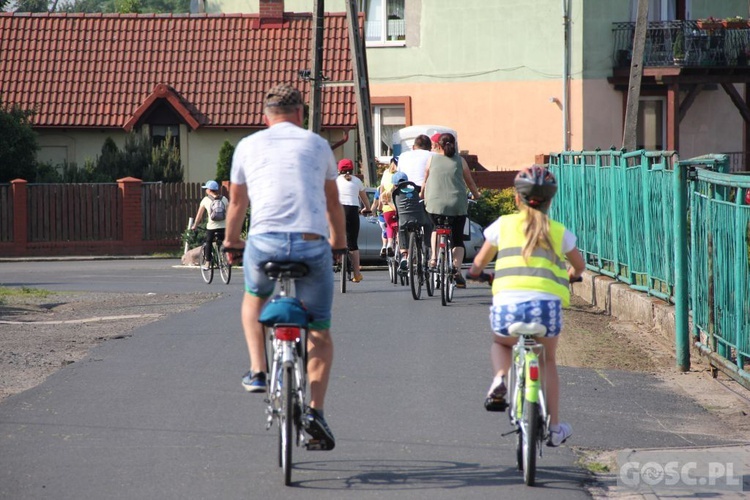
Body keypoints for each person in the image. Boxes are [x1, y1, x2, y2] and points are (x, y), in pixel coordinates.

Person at [223, 83, 346, 451]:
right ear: (299, 114)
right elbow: (332, 201)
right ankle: (315, 412)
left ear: (266, 117)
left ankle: (258, 370)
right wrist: (338, 244)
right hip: (311, 243)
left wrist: (231, 240)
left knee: (253, 298)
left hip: (264, 243)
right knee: (320, 330)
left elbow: (236, 204)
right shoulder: (317, 143)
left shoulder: (247, 145)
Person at [465, 165, 585, 447]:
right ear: (550, 201)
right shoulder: (559, 232)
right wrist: (570, 276)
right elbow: (578, 266)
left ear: (517, 199)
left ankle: (500, 379)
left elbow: (479, 263)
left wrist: (477, 274)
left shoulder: (502, 226)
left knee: (502, 344)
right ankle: (554, 428)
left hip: (508, 306)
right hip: (547, 309)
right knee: (549, 361)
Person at [421, 132, 480, 288]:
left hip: (434, 205)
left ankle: (433, 258)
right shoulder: (461, 161)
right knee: (458, 240)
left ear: (438, 145)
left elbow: (425, 180)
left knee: (436, 228)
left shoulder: (431, 159)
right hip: (457, 205)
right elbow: (470, 183)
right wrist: (476, 195)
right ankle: (456, 270)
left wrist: (421, 193)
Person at [336, 158, 372, 282]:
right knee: (353, 244)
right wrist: (368, 209)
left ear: (339, 170)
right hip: (352, 211)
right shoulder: (357, 181)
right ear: (352, 169)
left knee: (337, 237)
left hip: (338, 210)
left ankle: (338, 258)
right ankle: (357, 274)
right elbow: (365, 199)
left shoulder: (335, 181)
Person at [391, 171, 431, 271]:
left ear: (394, 184)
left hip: (404, 220)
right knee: (429, 224)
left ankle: (404, 255)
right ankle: (427, 246)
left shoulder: (395, 193)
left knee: (401, 228)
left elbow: (397, 210)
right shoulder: (416, 189)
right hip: (420, 219)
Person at [191, 180, 228, 270]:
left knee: (208, 242)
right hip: (224, 227)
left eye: (206, 189)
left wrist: (195, 225)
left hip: (212, 227)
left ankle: (208, 263)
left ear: (209, 190)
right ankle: (226, 258)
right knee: (224, 242)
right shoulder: (224, 199)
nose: (205, 190)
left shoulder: (205, 200)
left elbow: (199, 215)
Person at [378, 156, 399, 257]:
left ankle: (389, 244)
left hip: (386, 205)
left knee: (389, 226)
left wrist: (380, 205)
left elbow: (381, 189)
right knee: (400, 227)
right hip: (398, 205)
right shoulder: (400, 174)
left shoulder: (386, 173)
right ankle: (402, 252)